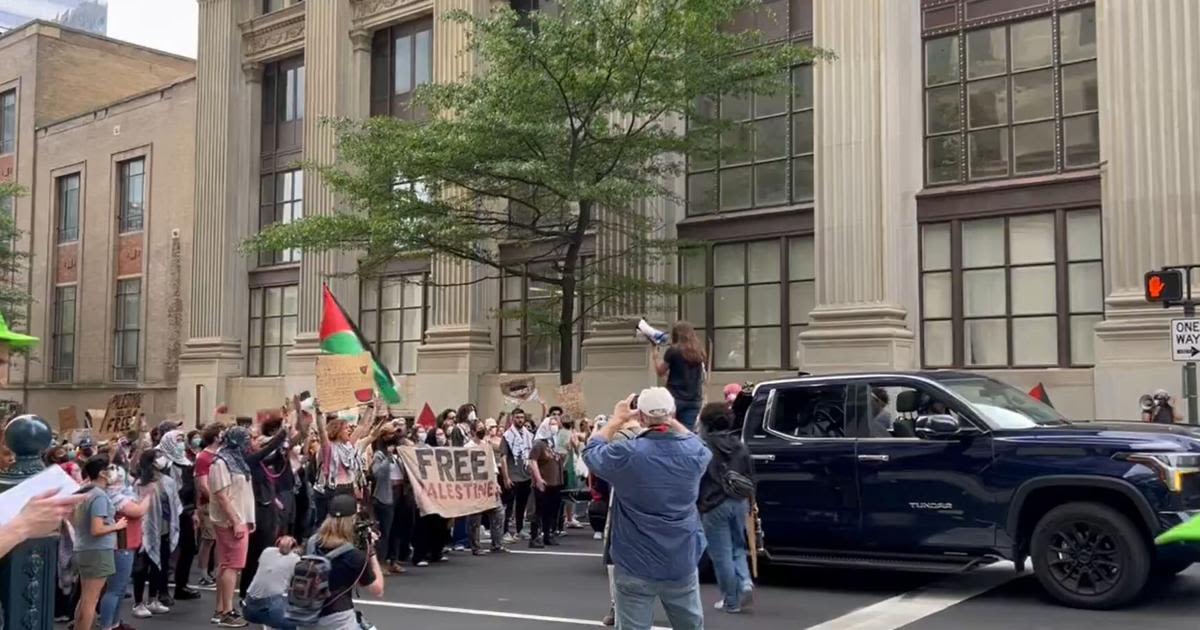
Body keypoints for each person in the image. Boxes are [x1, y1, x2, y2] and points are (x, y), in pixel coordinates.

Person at [583, 387, 711, 630]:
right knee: (691, 625)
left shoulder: (627, 452)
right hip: (680, 559)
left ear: (640, 417)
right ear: (672, 412)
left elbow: (591, 452)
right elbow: (698, 444)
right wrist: (669, 419)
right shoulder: (693, 453)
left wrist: (618, 419)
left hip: (634, 561)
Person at [696, 402, 755, 613]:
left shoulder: (702, 446)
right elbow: (749, 475)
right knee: (738, 546)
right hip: (738, 500)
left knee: (721, 554)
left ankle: (731, 600)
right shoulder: (739, 445)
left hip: (713, 504)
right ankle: (745, 582)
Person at [301, 494, 385, 630]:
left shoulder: (312, 543)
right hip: (337, 620)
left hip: (306, 616)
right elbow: (377, 589)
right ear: (352, 521)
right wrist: (371, 552)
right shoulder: (354, 556)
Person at [73, 455, 129, 630]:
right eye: (110, 469)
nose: (114, 472)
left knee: (85, 598)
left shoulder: (85, 492)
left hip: (85, 549)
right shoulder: (99, 497)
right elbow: (96, 529)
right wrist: (116, 526)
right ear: (102, 473)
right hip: (97, 550)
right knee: (91, 600)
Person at [209, 426, 258, 627]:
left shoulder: (236, 460)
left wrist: (248, 518)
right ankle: (227, 612)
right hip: (230, 521)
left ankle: (221, 609)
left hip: (239, 518)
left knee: (226, 565)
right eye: (246, 438)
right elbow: (222, 496)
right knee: (232, 566)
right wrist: (237, 520)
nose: (249, 442)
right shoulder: (221, 462)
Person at [99, 463, 151, 630]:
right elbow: (137, 511)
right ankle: (106, 625)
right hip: (120, 545)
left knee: (120, 588)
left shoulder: (122, 494)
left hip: (128, 543)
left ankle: (114, 623)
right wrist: (149, 495)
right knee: (114, 589)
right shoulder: (113, 495)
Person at [130, 449, 181, 618]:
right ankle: (138, 602)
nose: (162, 459)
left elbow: (174, 504)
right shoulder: (140, 484)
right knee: (142, 567)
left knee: (159, 565)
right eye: (158, 457)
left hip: (164, 528)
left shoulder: (168, 481)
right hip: (145, 531)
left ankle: (153, 598)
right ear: (151, 462)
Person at [159, 428, 202, 602]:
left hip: (186, 511)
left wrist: (195, 510)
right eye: (177, 440)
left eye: (181, 440)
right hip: (167, 513)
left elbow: (192, 488)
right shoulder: (162, 464)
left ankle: (181, 585)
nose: (180, 444)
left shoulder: (186, 463)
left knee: (189, 548)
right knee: (165, 551)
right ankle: (161, 591)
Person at [653, 322, 707, 431]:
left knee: (669, 430)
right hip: (694, 399)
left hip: (675, 397)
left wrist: (655, 357)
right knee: (686, 433)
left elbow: (660, 371)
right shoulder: (699, 351)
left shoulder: (673, 351)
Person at [242, 536, 301, 630]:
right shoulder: (296, 560)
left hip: (248, 610)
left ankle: (269, 623)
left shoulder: (266, 551)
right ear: (294, 548)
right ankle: (274, 624)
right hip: (271, 609)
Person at [368, 422, 405, 572]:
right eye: (390, 434)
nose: (393, 437)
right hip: (385, 496)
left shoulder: (400, 454)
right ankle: (380, 563)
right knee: (385, 531)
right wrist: (388, 457)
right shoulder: (379, 454)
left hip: (399, 493)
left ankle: (393, 560)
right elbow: (377, 473)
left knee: (397, 529)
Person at [411, 428, 450, 567]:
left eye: (442, 434)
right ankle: (420, 555)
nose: (441, 437)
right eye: (438, 434)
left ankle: (436, 552)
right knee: (425, 524)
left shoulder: (447, 451)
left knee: (440, 524)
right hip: (426, 493)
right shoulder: (423, 450)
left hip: (442, 493)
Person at [194, 421, 224, 587]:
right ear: (215, 437)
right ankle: (204, 573)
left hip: (219, 503)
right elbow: (202, 485)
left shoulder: (219, 455)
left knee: (219, 539)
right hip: (209, 504)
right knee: (208, 540)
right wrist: (216, 500)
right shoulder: (203, 457)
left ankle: (217, 570)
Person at [529, 417, 564, 549]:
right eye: (552, 424)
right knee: (538, 510)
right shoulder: (539, 443)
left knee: (550, 511)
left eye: (556, 424)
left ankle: (547, 535)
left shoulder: (552, 443)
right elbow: (532, 461)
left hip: (554, 482)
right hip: (543, 481)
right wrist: (538, 478)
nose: (555, 427)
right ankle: (534, 537)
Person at [500, 409, 534, 541]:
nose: (520, 420)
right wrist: (506, 477)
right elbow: (503, 458)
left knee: (522, 504)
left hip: (525, 475)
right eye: (517, 417)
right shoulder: (507, 436)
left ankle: (519, 529)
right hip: (513, 475)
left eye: (522, 417)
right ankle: (505, 532)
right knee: (508, 505)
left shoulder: (528, 435)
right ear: (512, 419)